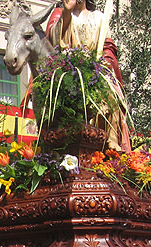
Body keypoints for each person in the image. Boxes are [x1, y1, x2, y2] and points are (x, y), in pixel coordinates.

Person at [46, 0, 130, 151]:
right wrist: (66, 11)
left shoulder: (98, 17)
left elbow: (108, 46)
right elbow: (56, 42)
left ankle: (110, 139)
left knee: (112, 94)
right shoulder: (61, 14)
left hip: (96, 69)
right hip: (70, 69)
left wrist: (104, 60)